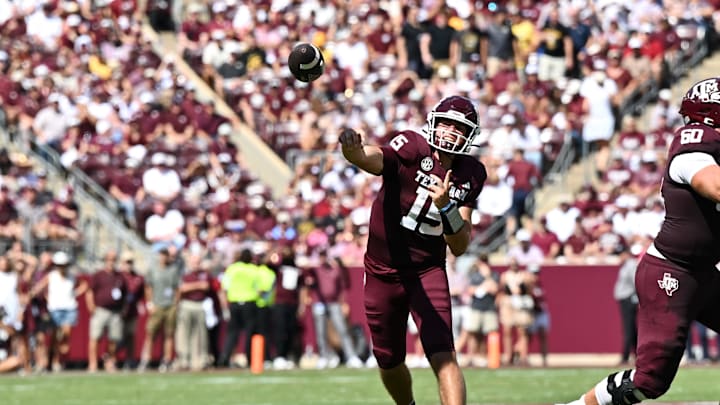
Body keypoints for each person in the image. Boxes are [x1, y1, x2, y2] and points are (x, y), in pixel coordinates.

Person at [559, 77, 720, 405]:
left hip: (705, 273)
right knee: (650, 381)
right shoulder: (695, 142)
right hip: (671, 273)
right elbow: (714, 186)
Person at [339, 95, 487, 405]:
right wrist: (354, 153)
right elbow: (374, 159)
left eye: (458, 127)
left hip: (426, 270)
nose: (449, 131)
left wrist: (446, 206)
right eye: (445, 123)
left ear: (469, 135)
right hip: (382, 270)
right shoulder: (411, 145)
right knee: (389, 359)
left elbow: (460, 245)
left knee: (443, 354)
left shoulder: (472, 173)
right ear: (433, 121)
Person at [613, 247, 640, 366]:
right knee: (631, 329)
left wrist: (636, 299)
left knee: (628, 329)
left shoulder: (631, 265)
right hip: (625, 299)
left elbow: (636, 282)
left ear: (626, 254)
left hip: (629, 299)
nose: (619, 257)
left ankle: (625, 356)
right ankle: (638, 355)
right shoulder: (626, 265)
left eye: (621, 254)